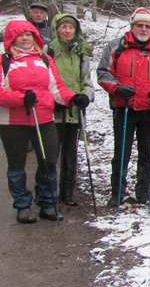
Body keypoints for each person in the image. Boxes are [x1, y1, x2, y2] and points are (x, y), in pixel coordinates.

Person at [0, 20, 77, 222]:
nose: (25, 38)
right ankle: (22, 206)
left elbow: (56, 87)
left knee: (49, 161)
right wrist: (20, 99)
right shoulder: (4, 61)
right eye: (20, 35)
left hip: (43, 118)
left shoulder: (44, 59)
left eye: (29, 34)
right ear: (11, 38)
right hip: (13, 121)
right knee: (17, 165)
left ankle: (47, 203)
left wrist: (72, 98)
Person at [97, 7, 150, 206]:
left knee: (146, 151)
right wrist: (116, 88)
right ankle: (117, 191)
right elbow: (103, 72)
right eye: (139, 25)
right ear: (132, 26)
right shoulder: (116, 46)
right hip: (124, 107)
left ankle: (144, 190)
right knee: (121, 152)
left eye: (147, 26)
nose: (143, 29)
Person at [48, 13, 94, 206]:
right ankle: (48, 193)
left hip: (74, 110)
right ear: (56, 29)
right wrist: (54, 98)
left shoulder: (81, 52)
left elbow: (86, 80)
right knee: (50, 155)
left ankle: (67, 192)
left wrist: (86, 95)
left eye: (71, 27)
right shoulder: (48, 51)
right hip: (53, 111)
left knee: (71, 154)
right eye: (63, 27)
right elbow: (43, 79)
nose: (67, 30)